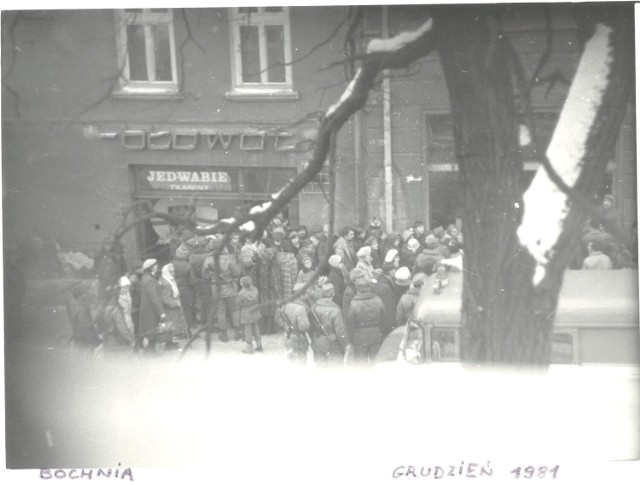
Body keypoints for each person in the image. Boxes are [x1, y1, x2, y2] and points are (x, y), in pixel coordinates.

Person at [203, 241, 243, 342]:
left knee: (220, 311)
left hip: (216, 288)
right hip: (230, 287)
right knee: (235, 309)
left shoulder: (208, 260)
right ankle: (237, 332)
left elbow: (204, 275)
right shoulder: (229, 258)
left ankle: (223, 334)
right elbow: (237, 273)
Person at [346, 275, 387, 364]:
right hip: (375, 333)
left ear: (357, 289)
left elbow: (350, 322)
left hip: (360, 335)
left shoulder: (354, 303)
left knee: (361, 362)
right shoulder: (377, 300)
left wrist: (351, 339)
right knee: (375, 360)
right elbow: (384, 317)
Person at [309, 283, 349, 366]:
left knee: (321, 370)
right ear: (333, 294)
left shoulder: (313, 308)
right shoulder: (335, 310)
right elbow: (340, 332)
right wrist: (346, 346)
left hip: (317, 342)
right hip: (332, 344)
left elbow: (310, 328)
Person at [278, 282, 311, 365]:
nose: (308, 295)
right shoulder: (301, 308)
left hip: (287, 336)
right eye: (306, 293)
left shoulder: (286, 304)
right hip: (299, 339)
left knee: (291, 362)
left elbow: (278, 319)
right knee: (301, 364)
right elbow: (304, 327)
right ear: (302, 294)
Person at [138, 259, 167, 352]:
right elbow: (154, 297)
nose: (156, 266)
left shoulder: (147, 278)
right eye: (155, 265)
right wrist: (161, 312)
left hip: (149, 309)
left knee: (150, 330)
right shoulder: (149, 279)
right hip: (151, 310)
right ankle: (149, 354)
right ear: (151, 268)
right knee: (150, 331)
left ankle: (149, 353)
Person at [98, 283, 135, 354]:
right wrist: (131, 340)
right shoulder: (115, 310)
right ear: (114, 296)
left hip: (106, 341)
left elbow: (98, 323)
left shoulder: (101, 307)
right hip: (117, 344)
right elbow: (122, 329)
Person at [66, 282, 101, 352]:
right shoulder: (82, 309)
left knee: (82, 353)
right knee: (88, 355)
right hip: (86, 339)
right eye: (84, 293)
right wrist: (96, 320)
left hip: (78, 336)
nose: (86, 295)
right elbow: (87, 326)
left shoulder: (72, 305)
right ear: (79, 296)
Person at [159, 263, 188, 342]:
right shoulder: (166, 283)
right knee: (169, 327)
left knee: (170, 327)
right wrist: (176, 303)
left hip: (171, 309)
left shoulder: (168, 279)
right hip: (169, 309)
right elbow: (165, 299)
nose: (173, 273)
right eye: (171, 272)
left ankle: (170, 342)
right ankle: (169, 343)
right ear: (166, 272)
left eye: (173, 271)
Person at [172, 244, 197, 333]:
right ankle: (188, 330)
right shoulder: (188, 265)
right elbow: (192, 281)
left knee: (176, 311)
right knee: (187, 311)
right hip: (186, 290)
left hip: (174, 290)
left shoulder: (171, 264)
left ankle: (178, 330)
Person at [372, 261, 398, 337]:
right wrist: (392, 326)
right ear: (391, 271)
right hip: (387, 327)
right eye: (394, 270)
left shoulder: (384, 281)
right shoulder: (385, 288)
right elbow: (388, 309)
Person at [238, 276, 263, 354]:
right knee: (256, 328)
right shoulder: (255, 289)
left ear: (242, 285)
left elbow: (239, 304)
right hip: (255, 311)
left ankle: (249, 348)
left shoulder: (241, 293)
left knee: (248, 330)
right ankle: (259, 346)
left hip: (246, 313)